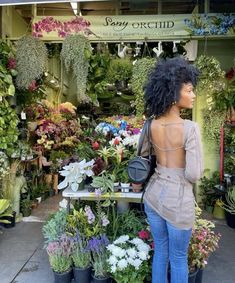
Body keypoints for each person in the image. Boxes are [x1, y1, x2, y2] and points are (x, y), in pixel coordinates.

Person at [138, 57, 204, 283]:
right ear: (175, 93)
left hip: (154, 196)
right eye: (189, 90)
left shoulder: (150, 125)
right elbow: (194, 174)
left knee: (161, 252)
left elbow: (143, 158)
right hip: (178, 200)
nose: (193, 95)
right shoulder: (190, 129)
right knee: (178, 258)